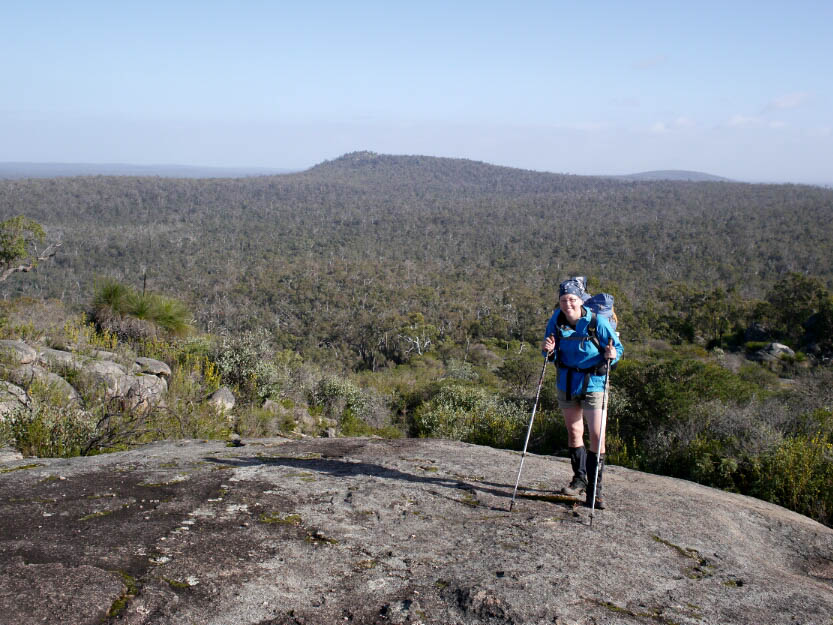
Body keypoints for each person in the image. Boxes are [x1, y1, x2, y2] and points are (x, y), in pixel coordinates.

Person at [542, 278, 623, 509]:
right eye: (564, 300)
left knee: (597, 435)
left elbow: (617, 348)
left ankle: (595, 490)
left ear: (580, 300)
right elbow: (549, 348)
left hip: (594, 383)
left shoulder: (596, 321)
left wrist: (611, 355)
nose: (568, 304)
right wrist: (547, 351)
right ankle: (579, 479)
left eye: (572, 299)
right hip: (567, 382)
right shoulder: (556, 320)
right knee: (574, 432)